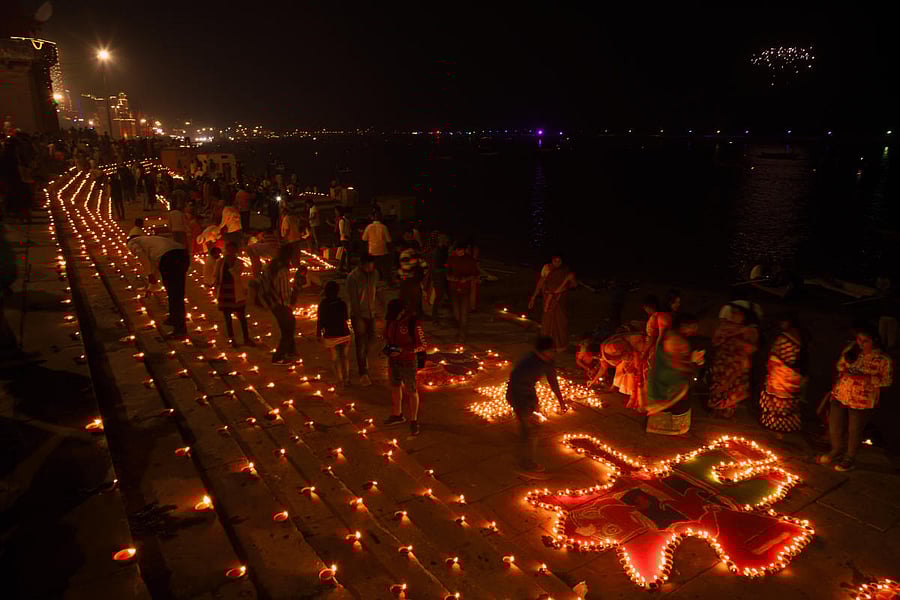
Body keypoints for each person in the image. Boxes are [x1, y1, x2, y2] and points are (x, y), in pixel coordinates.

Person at [818, 323, 893, 472]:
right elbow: (840, 366)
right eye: (859, 339)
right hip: (841, 394)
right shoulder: (852, 350)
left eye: (865, 341)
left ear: (874, 341)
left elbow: (887, 380)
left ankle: (849, 458)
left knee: (854, 430)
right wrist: (845, 367)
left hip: (862, 400)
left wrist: (867, 379)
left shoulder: (883, 359)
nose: (860, 343)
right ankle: (836, 450)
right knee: (835, 425)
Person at [506, 336, 569, 473]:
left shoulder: (548, 361)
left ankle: (523, 436)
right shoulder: (527, 364)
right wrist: (529, 406)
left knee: (531, 428)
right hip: (518, 397)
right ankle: (526, 463)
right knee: (531, 431)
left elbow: (553, 380)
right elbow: (515, 384)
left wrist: (561, 401)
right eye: (552, 350)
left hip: (530, 396)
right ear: (543, 351)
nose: (554, 352)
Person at [646, 313, 704, 435]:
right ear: (683, 325)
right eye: (692, 327)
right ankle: (668, 427)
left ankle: (664, 425)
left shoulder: (673, 335)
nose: (694, 331)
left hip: (667, 377)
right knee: (677, 404)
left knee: (672, 403)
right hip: (672, 379)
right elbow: (676, 363)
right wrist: (693, 360)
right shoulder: (676, 340)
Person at [126, 234, 189, 338]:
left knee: (174, 295)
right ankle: (174, 318)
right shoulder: (150, 240)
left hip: (169, 258)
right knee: (177, 292)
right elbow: (155, 263)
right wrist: (152, 285)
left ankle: (180, 330)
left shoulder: (133, 243)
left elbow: (143, 258)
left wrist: (150, 275)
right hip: (183, 254)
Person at [253, 242, 303, 364]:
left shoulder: (272, 265)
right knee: (288, 329)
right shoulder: (283, 270)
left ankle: (291, 352)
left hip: (271, 302)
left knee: (288, 327)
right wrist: (290, 302)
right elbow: (284, 292)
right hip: (280, 304)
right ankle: (279, 357)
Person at [382, 298, 426, 437]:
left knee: (411, 390)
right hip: (393, 360)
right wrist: (387, 349)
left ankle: (413, 420)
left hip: (408, 361)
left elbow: (423, 345)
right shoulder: (391, 320)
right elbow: (386, 337)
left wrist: (404, 350)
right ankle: (397, 414)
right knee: (395, 387)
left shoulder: (413, 323)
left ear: (402, 312)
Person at [708, 303, 759, 419]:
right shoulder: (725, 326)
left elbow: (752, 348)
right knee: (718, 386)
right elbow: (715, 341)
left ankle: (727, 412)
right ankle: (716, 409)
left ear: (744, 316)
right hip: (722, 362)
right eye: (732, 312)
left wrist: (738, 342)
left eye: (737, 313)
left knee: (732, 389)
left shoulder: (749, 330)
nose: (733, 315)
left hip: (736, 365)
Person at [759, 314, 809, 433]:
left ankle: (779, 426)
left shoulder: (789, 336)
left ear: (789, 322)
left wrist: (776, 362)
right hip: (784, 373)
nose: (781, 325)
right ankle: (775, 424)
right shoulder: (798, 335)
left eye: (783, 322)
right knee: (780, 400)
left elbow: (786, 355)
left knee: (782, 401)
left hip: (785, 373)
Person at [345, 254, 382, 386]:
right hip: (358, 315)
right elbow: (354, 300)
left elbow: (376, 291)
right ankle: (363, 372)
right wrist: (358, 317)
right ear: (361, 264)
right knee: (360, 343)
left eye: (372, 266)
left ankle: (364, 359)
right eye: (367, 266)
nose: (370, 268)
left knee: (372, 339)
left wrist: (379, 309)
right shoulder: (353, 278)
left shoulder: (375, 274)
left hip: (371, 314)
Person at [529, 255, 577, 352]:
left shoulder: (565, 271)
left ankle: (560, 345)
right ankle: (545, 345)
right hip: (548, 298)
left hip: (560, 300)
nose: (557, 263)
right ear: (552, 261)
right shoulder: (547, 269)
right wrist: (533, 298)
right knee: (547, 322)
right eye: (555, 261)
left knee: (560, 322)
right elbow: (540, 283)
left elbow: (573, 285)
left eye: (559, 261)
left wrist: (569, 281)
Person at [597, 331, 652, 411]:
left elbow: (628, 349)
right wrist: (629, 365)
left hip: (643, 351)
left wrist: (636, 361)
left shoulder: (612, 348)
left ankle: (642, 400)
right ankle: (637, 399)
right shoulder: (610, 351)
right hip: (637, 353)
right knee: (636, 376)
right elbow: (625, 355)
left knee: (643, 377)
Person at [215, 241, 253, 348]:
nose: (230, 252)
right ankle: (232, 338)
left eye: (233, 249)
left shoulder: (239, 263)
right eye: (229, 249)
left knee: (242, 316)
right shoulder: (220, 262)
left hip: (236, 292)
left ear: (236, 251)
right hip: (224, 292)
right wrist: (215, 287)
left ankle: (246, 338)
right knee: (227, 317)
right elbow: (217, 275)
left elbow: (237, 275)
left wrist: (231, 266)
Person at [317, 281, 352, 388]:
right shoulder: (342, 303)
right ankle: (346, 379)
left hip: (331, 335)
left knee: (335, 358)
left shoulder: (323, 304)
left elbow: (320, 320)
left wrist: (318, 334)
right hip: (344, 333)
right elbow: (346, 317)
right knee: (344, 356)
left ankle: (340, 380)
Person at [446, 244, 480, 342]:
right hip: (453, 290)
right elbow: (447, 273)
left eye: (461, 250)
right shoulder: (451, 259)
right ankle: (461, 330)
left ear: (464, 250)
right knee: (457, 314)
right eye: (457, 250)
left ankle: (462, 335)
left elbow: (475, 274)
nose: (459, 252)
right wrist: (451, 278)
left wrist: (467, 278)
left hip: (465, 290)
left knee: (464, 313)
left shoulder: (470, 260)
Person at [645, 289, 680, 367]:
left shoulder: (668, 316)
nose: (677, 305)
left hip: (664, 350)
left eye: (678, 302)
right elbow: (661, 336)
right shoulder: (664, 316)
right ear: (668, 302)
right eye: (675, 302)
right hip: (660, 350)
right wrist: (657, 355)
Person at [398, 237, 427, 318]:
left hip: (405, 278)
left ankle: (407, 314)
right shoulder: (416, 254)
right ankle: (415, 313)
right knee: (415, 297)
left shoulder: (404, 254)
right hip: (413, 279)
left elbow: (405, 268)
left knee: (406, 297)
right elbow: (424, 266)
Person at [362, 210, 392, 285]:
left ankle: (373, 282)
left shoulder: (369, 227)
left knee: (373, 267)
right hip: (382, 250)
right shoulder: (383, 227)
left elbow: (364, 238)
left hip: (372, 250)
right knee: (385, 267)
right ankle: (388, 282)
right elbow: (389, 240)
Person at [427, 234, 450, 325]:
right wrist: (446, 266)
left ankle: (436, 315)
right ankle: (435, 317)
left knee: (441, 295)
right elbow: (437, 266)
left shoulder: (443, 249)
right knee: (439, 295)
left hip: (441, 275)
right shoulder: (438, 251)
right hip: (438, 275)